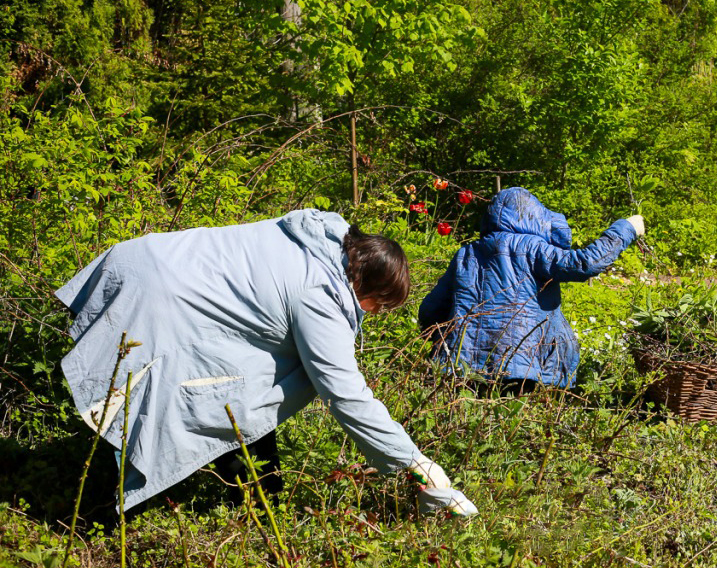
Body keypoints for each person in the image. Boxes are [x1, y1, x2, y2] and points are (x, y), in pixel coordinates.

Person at [56, 209, 476, 516]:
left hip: (139, 264)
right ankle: (94, 519)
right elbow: (345, 394)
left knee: (233, 390)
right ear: (365, 284)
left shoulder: (317, 240)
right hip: (161, 304)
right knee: (153, 408)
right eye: (379, 305)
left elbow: (252, 382)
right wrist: (413, 462)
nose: (375, 315)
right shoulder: (320, 292)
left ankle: (258, 503)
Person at [418, 187, 644, 392]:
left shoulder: (466, 254)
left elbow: (430, 309)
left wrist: (442, 341)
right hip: (519, 365)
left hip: (462, 366)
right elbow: (585, 263)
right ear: (536, 217)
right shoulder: (534, 249)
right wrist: (627, 228)